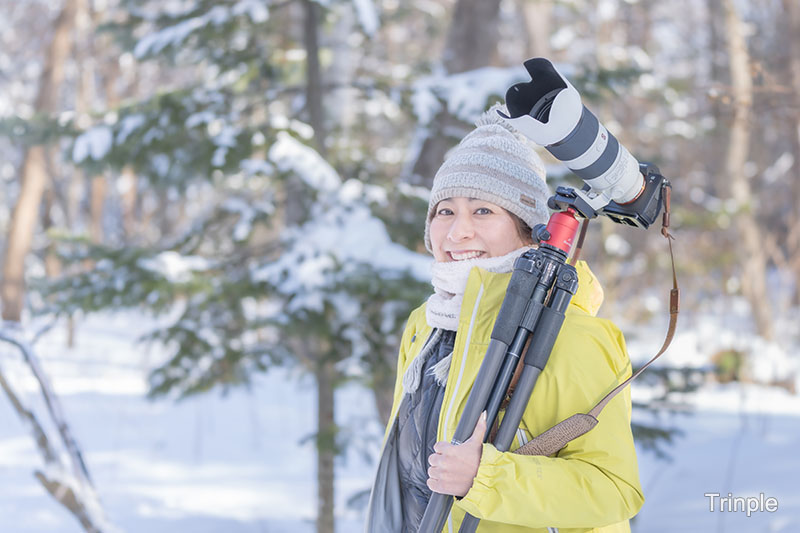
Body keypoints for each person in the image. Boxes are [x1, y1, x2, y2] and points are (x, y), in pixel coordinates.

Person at [364, 105, 644, 533]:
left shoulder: (571, 336)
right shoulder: (427, 323)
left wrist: (486, 478)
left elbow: (614, 489)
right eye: (445, 211)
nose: (457, 232)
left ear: (530, 230)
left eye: (483, 211)